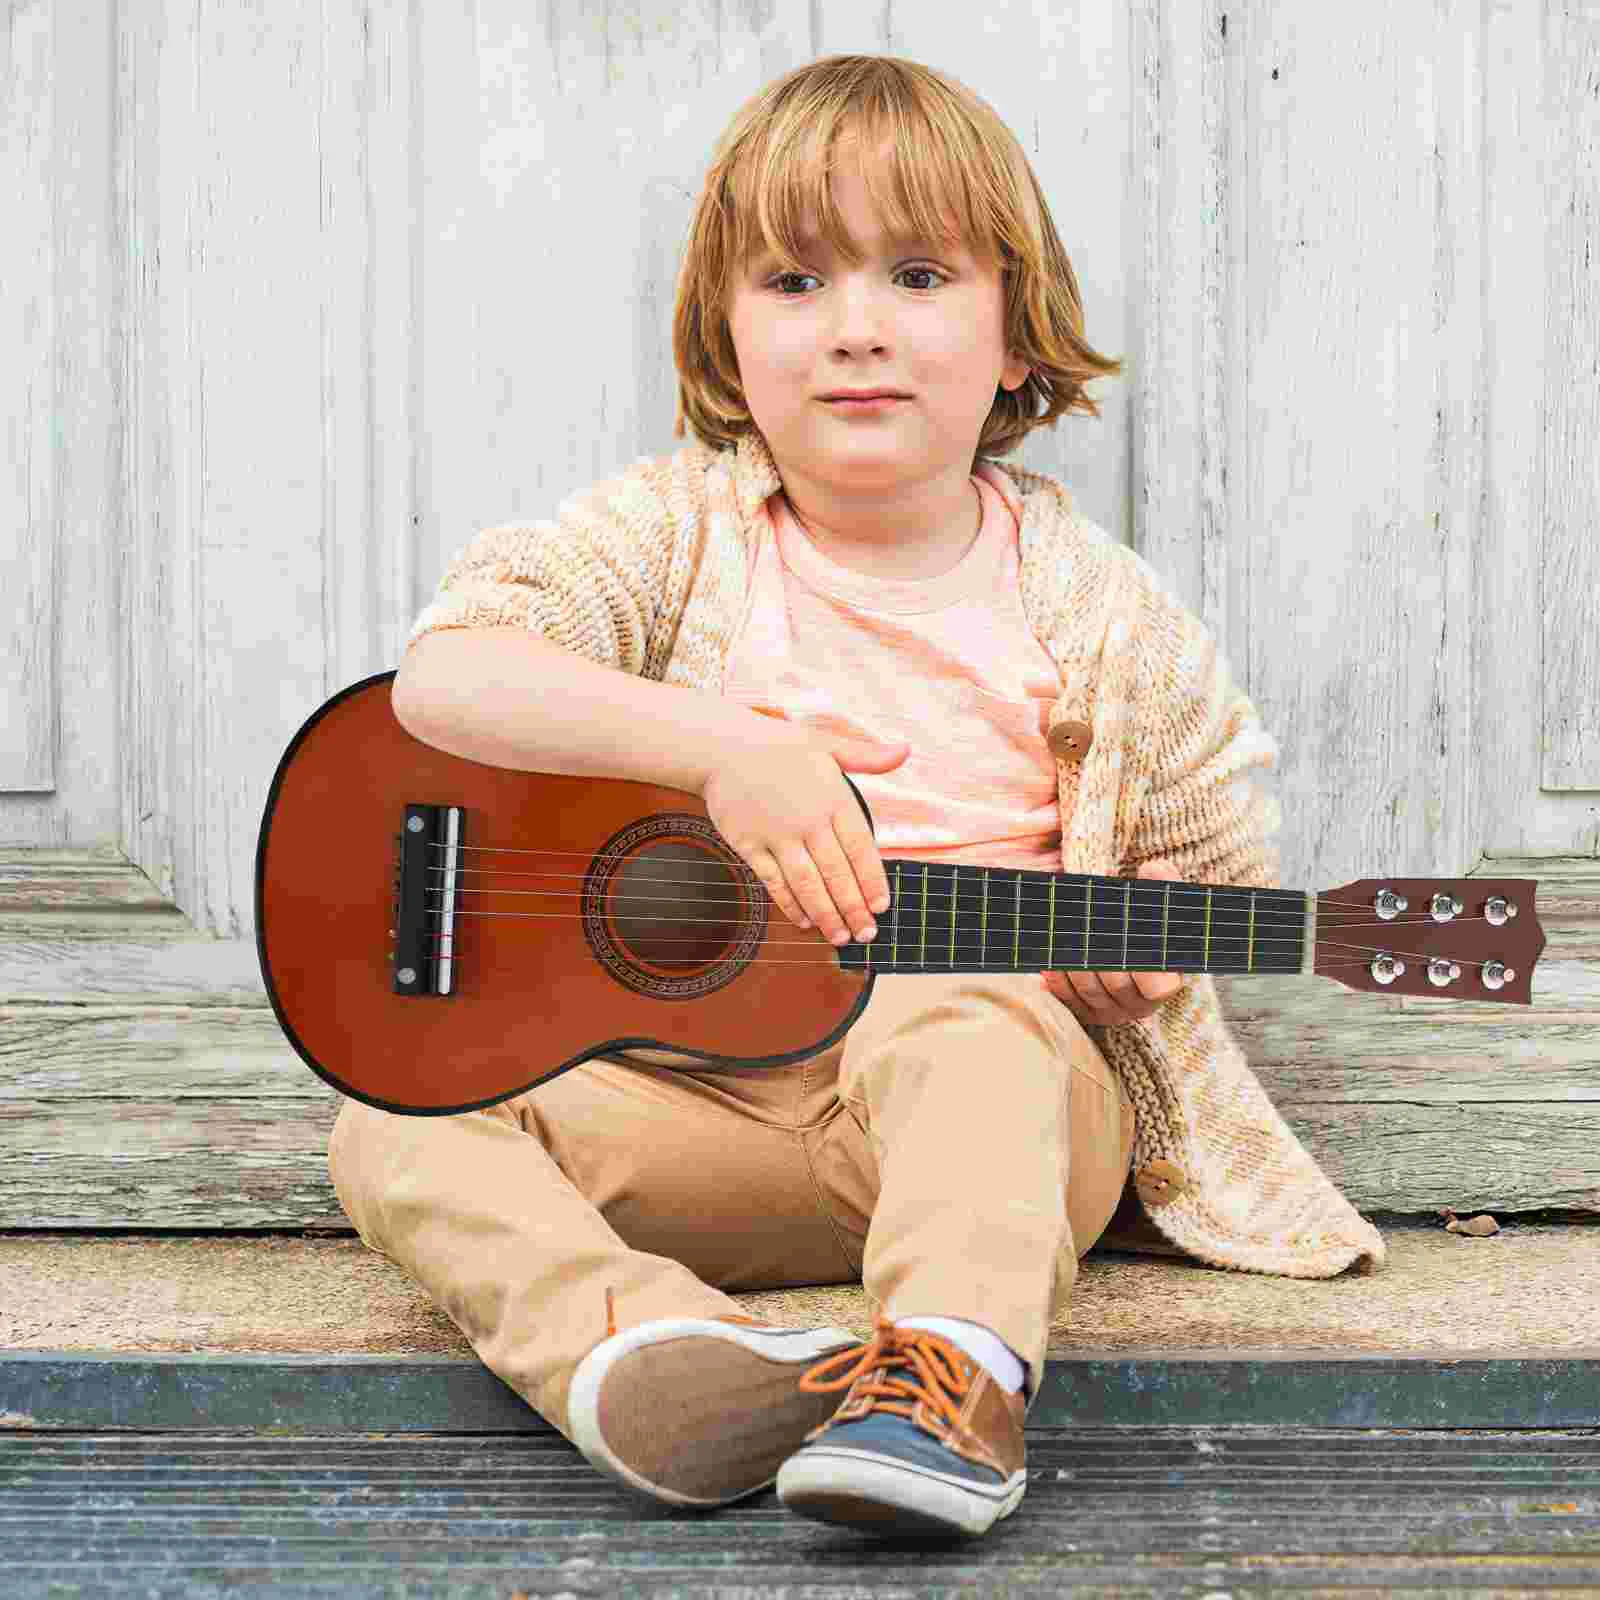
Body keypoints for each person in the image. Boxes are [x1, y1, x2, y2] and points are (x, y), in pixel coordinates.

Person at [329, 53, 1386, 1541]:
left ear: (1019, 335)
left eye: (915, 274)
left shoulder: (1105, 623)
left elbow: (1198, 877)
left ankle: (949, 1378)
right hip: (688, 1108)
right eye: (796, 284)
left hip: (973, 1133)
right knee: (397, 1120)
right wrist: (724, 752)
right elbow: (447, 681)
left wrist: (1132, 970)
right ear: (729, 338)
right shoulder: (677, 535)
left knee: (966, 1012)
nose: (858, 333)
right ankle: (648, 1356)